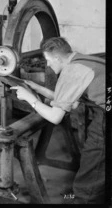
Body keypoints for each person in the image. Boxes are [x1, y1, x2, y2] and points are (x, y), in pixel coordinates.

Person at [11, 37, 105, 204]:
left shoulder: (71, 71)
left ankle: (83, 200)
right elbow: (69, 100)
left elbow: (55, 117)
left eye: (48, 60)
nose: (48, 65)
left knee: (92, 165)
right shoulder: (84, 60)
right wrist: (37, 88)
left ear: (57, 58)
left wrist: (30, 99)